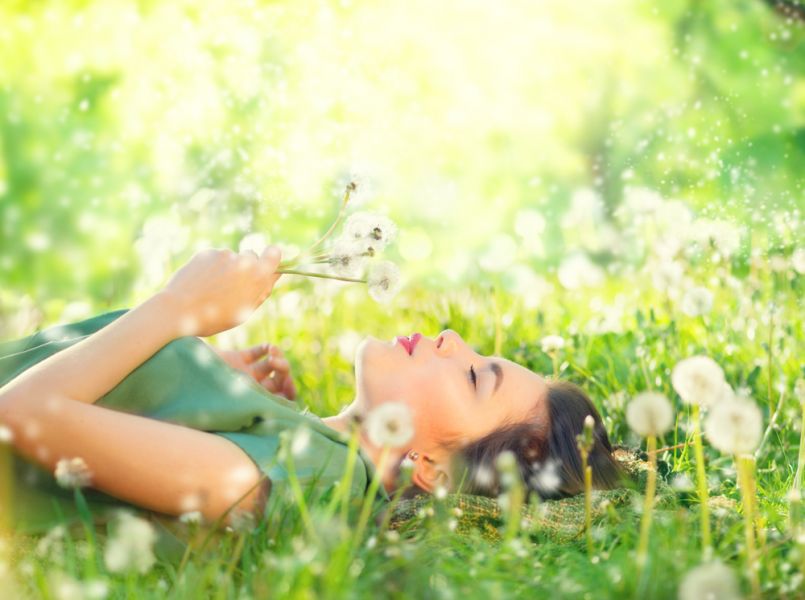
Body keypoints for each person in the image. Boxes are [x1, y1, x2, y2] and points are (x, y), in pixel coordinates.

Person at [0, 245, 623, 535]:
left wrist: (176, 310)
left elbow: (22, 415)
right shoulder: (301, 449)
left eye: (473, 376)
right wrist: (201, 389)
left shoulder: (312, 484)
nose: (454, 336)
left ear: (431, 468)